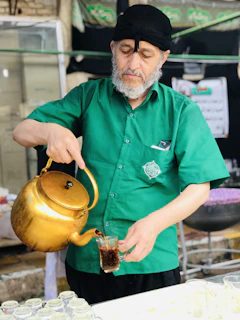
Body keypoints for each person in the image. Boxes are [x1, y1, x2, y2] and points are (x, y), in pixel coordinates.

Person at [13, 4, 229, 304]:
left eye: (146, 55)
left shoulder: (181, 112)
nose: (133, 64)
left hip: (150, 262)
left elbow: (199, 187)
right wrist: (51, 132)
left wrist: (154, 223)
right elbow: (22, 131)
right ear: (113, 48)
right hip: (87, 259)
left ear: (163, 58)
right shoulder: (89, 97)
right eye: (126, 50)